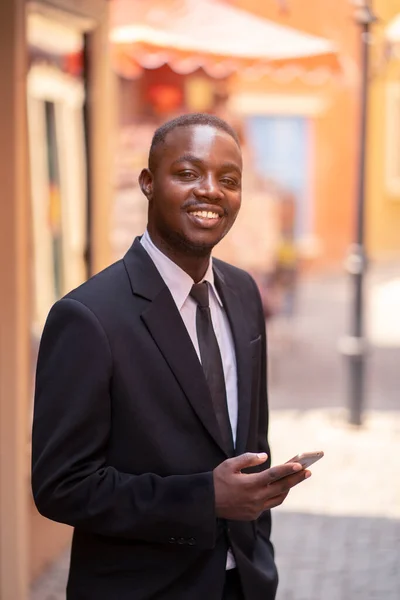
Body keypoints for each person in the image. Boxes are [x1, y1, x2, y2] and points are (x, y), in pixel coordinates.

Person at [32, 113, 310, 600]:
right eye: (187, 173)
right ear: (147, 183)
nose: (211, 191)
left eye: (229, 180)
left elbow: (250, 439)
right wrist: (205, 500)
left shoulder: (244, 294)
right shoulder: (87, 317)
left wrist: (258, 524)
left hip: (243, 582)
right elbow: (62, 486)